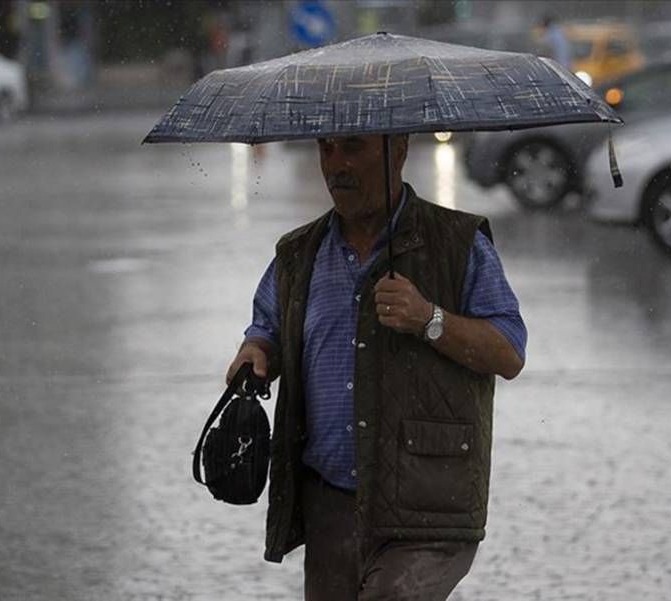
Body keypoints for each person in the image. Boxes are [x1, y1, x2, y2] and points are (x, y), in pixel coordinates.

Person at [225, 134, 527, 600]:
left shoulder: (457, 242)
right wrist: (256, 351)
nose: (336, 165)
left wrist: (429, 318)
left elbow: (508, 351)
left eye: (353, 148)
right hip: (330, 501)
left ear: (398, 150)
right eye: (326, 149)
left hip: (426, 503)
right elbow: (268, 325)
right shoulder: (298, 252)